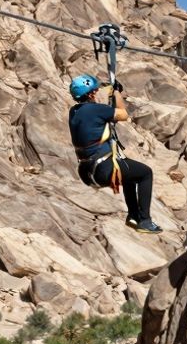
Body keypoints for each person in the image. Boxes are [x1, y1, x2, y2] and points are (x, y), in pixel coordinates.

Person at [67, 74, 162, 234]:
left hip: (87, 171)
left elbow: (99, 120)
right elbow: (123, 115)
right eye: (95, 92)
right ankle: (145, 221)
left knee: (130, 175)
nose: (97, 94)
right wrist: (117, 93)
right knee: (145, 173)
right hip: (104, 168)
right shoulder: (96, 109)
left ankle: (133, 216)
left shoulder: (74, 112)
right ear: (90, 94)